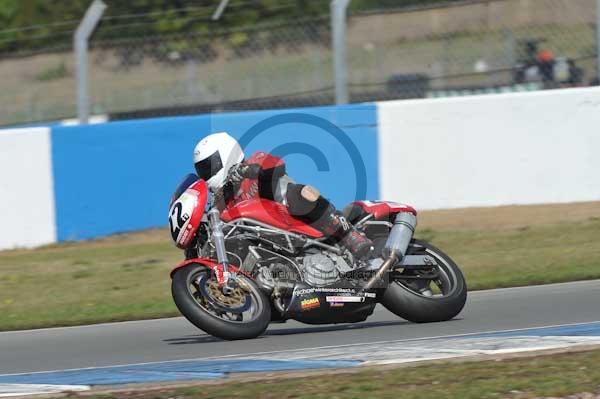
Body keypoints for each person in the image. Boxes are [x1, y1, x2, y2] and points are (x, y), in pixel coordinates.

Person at [193, 132, 374, 260]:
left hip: (292, 218)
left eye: (209, 166)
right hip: (271, 245)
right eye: (202, 170)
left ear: (226, 155)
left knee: (297, 193)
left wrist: (247, 171)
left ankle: (348, 234)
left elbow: (276, 166)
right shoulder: (223, 203)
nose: (206, 174)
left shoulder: (254, 161)